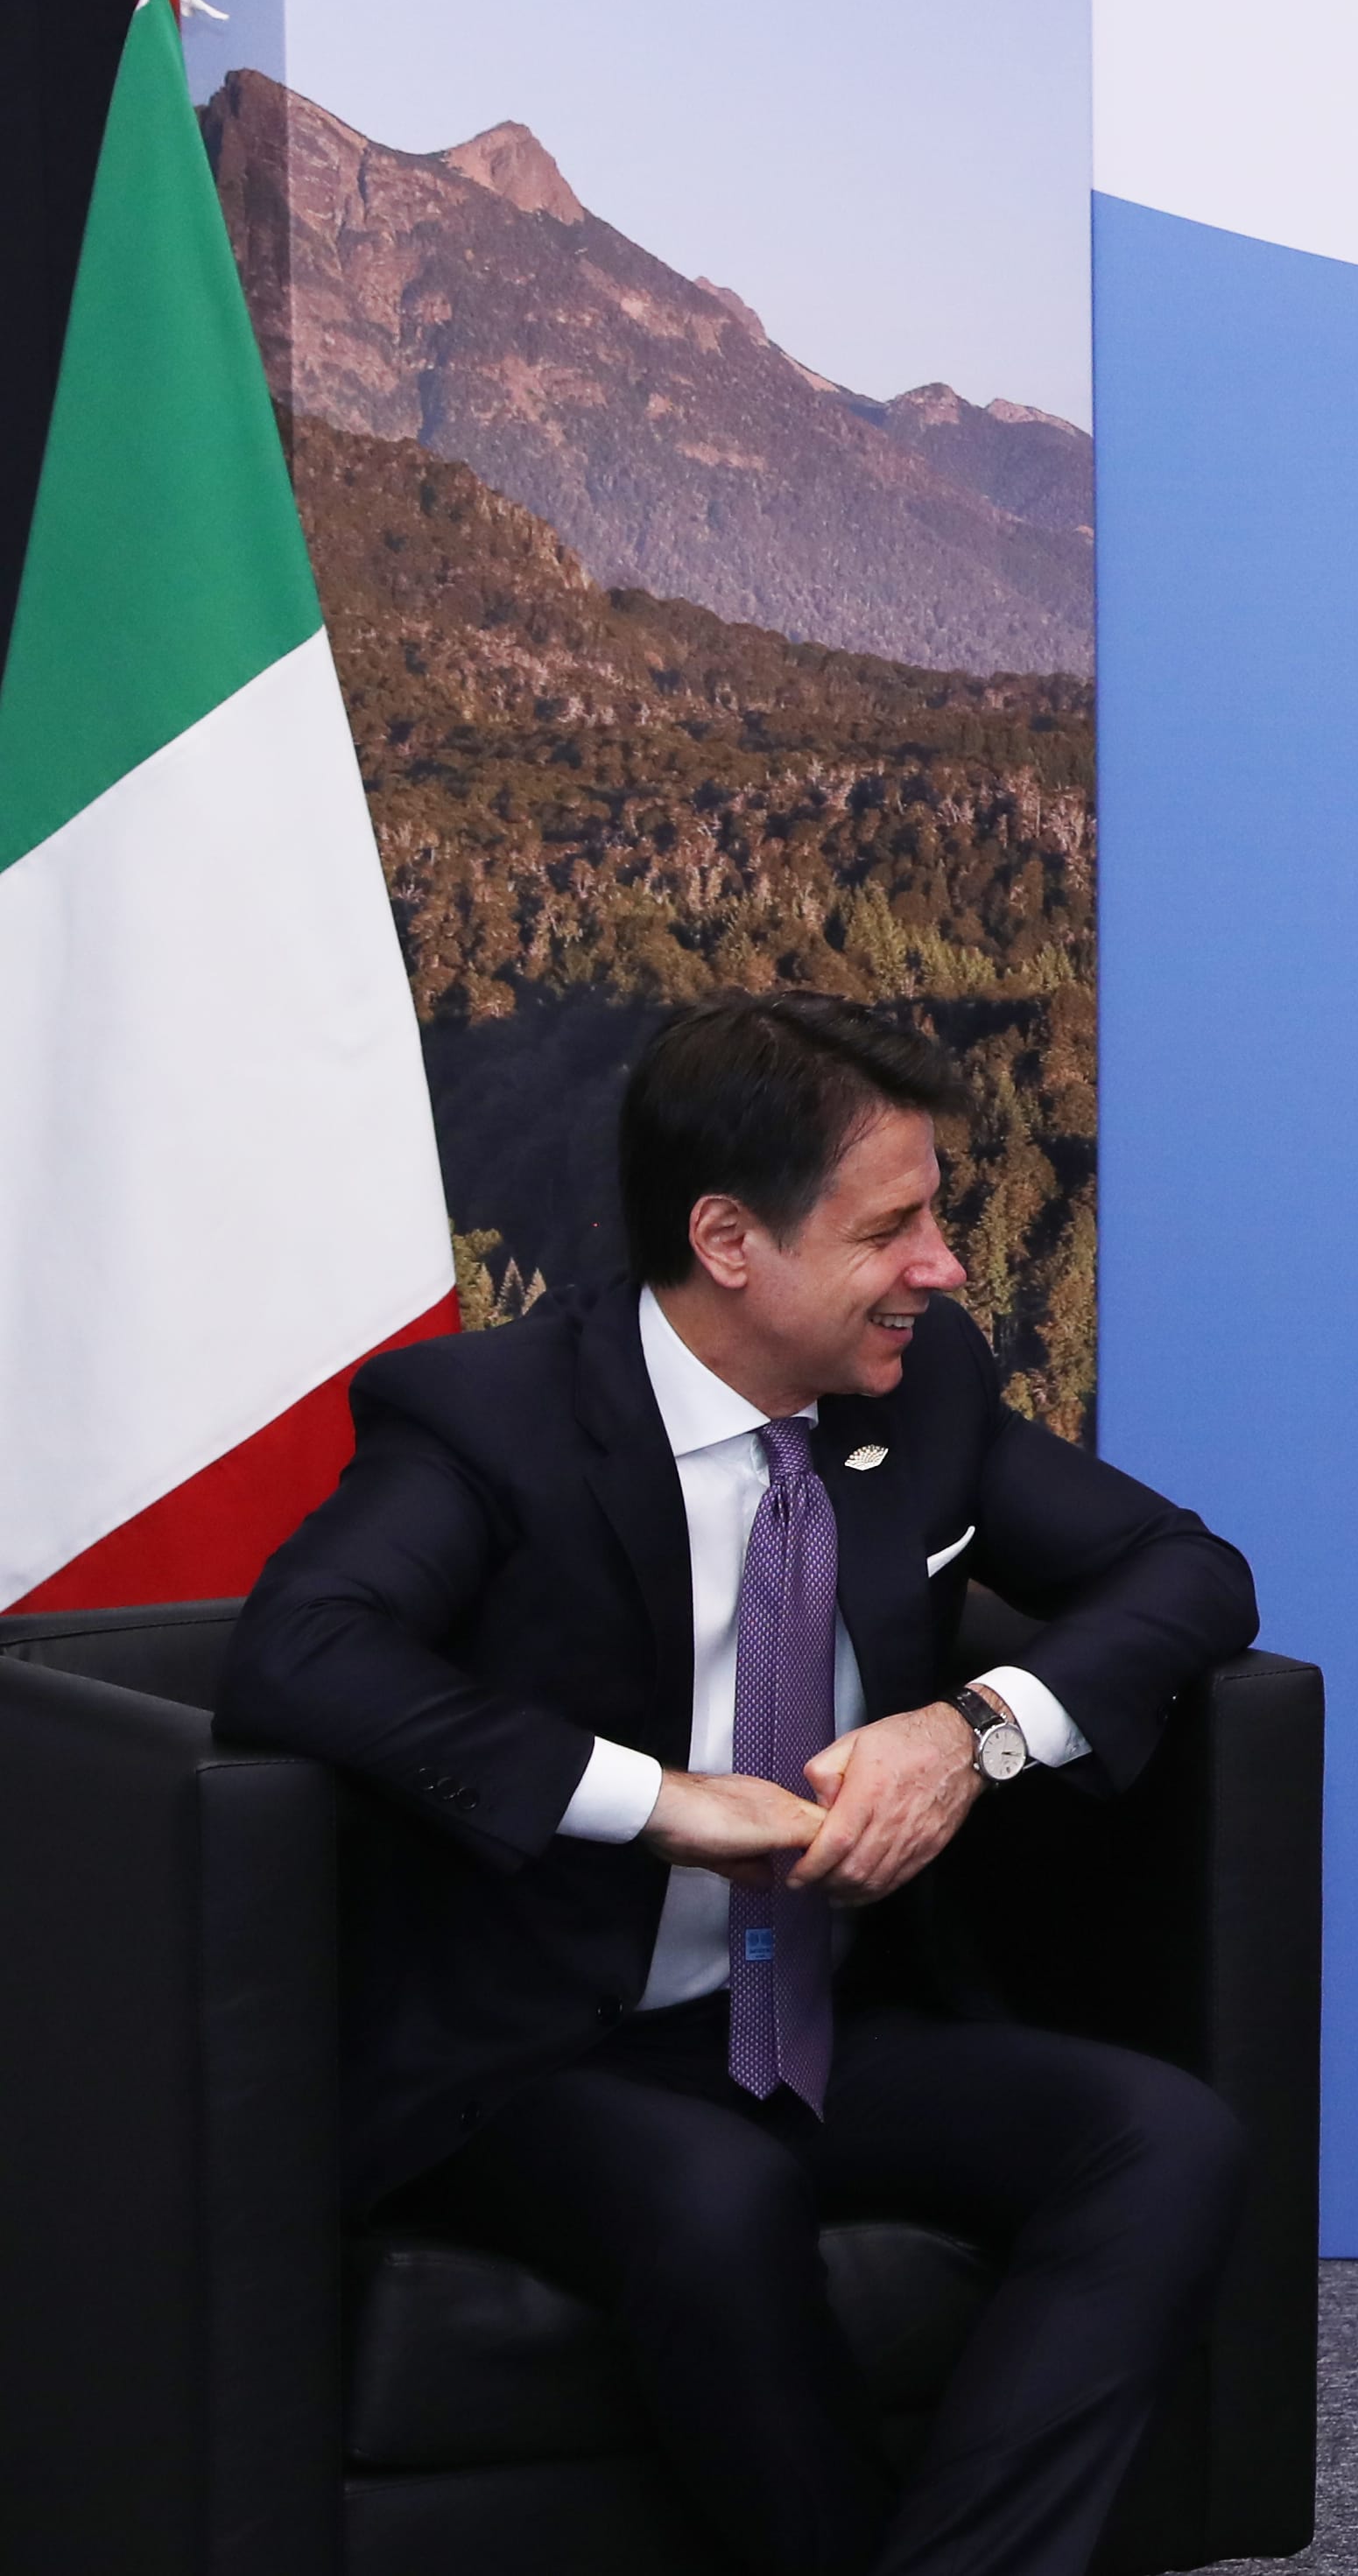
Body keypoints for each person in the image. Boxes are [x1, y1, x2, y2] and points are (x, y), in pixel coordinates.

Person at [221, 992, 1262, 2576]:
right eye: (893, 1228)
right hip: (540, 2049)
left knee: (1161, 2136)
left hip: (814, 2023)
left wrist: (971, 1729)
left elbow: (1188, 1574)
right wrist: (658, 1800)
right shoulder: (493, 1419)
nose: (947, 1267)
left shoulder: (924, 1393)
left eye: (942, 1219)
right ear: (729, 1241)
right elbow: (303, 1651)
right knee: (712, 2202)